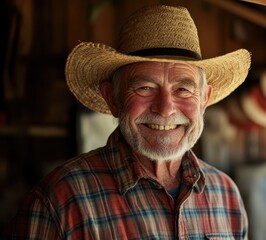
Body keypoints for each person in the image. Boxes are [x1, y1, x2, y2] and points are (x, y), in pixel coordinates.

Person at [5, 5, 251, 239]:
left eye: (183, 90)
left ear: (204, 99)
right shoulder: (58, 200)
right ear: (113, 98)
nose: (165, 109)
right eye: (144, 87)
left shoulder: (226, 194)